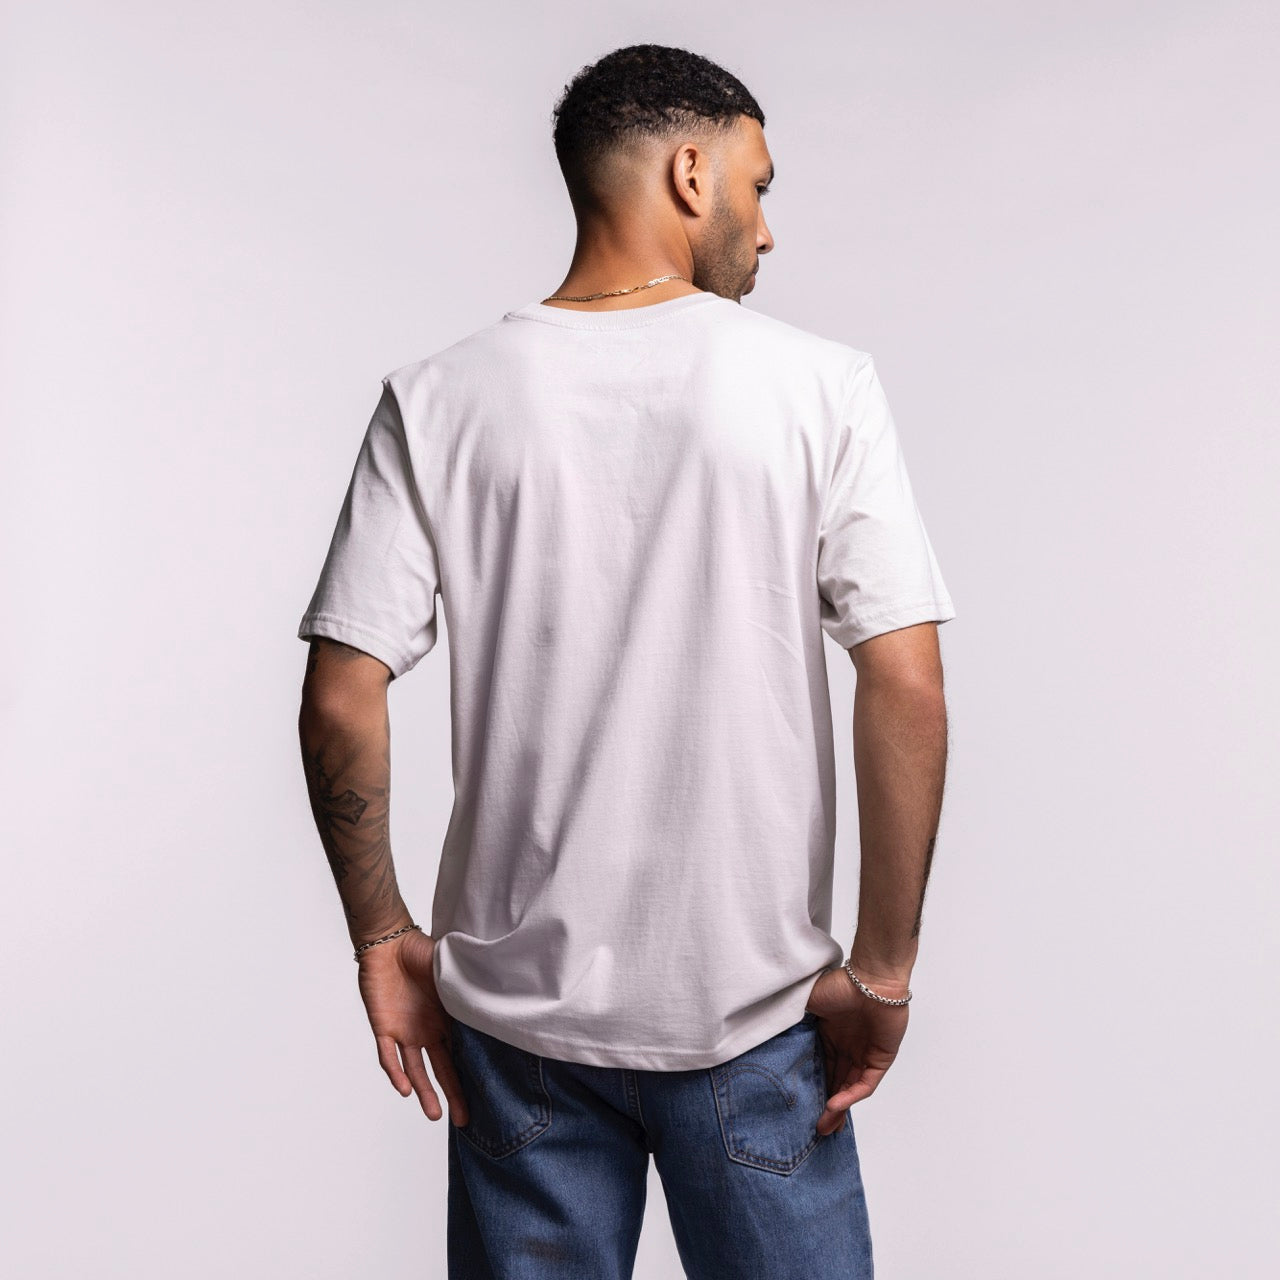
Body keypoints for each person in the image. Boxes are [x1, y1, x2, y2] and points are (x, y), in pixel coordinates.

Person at [296, 42, 955, 1280]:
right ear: (691, 171)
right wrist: (884, 969)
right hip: (754, 1022)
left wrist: (381, 935)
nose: (766, 233)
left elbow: (341, 695)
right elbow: (905, 678)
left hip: (514, 1032)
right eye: (759, 189)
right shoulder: (822, 388)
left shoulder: (437, 398)